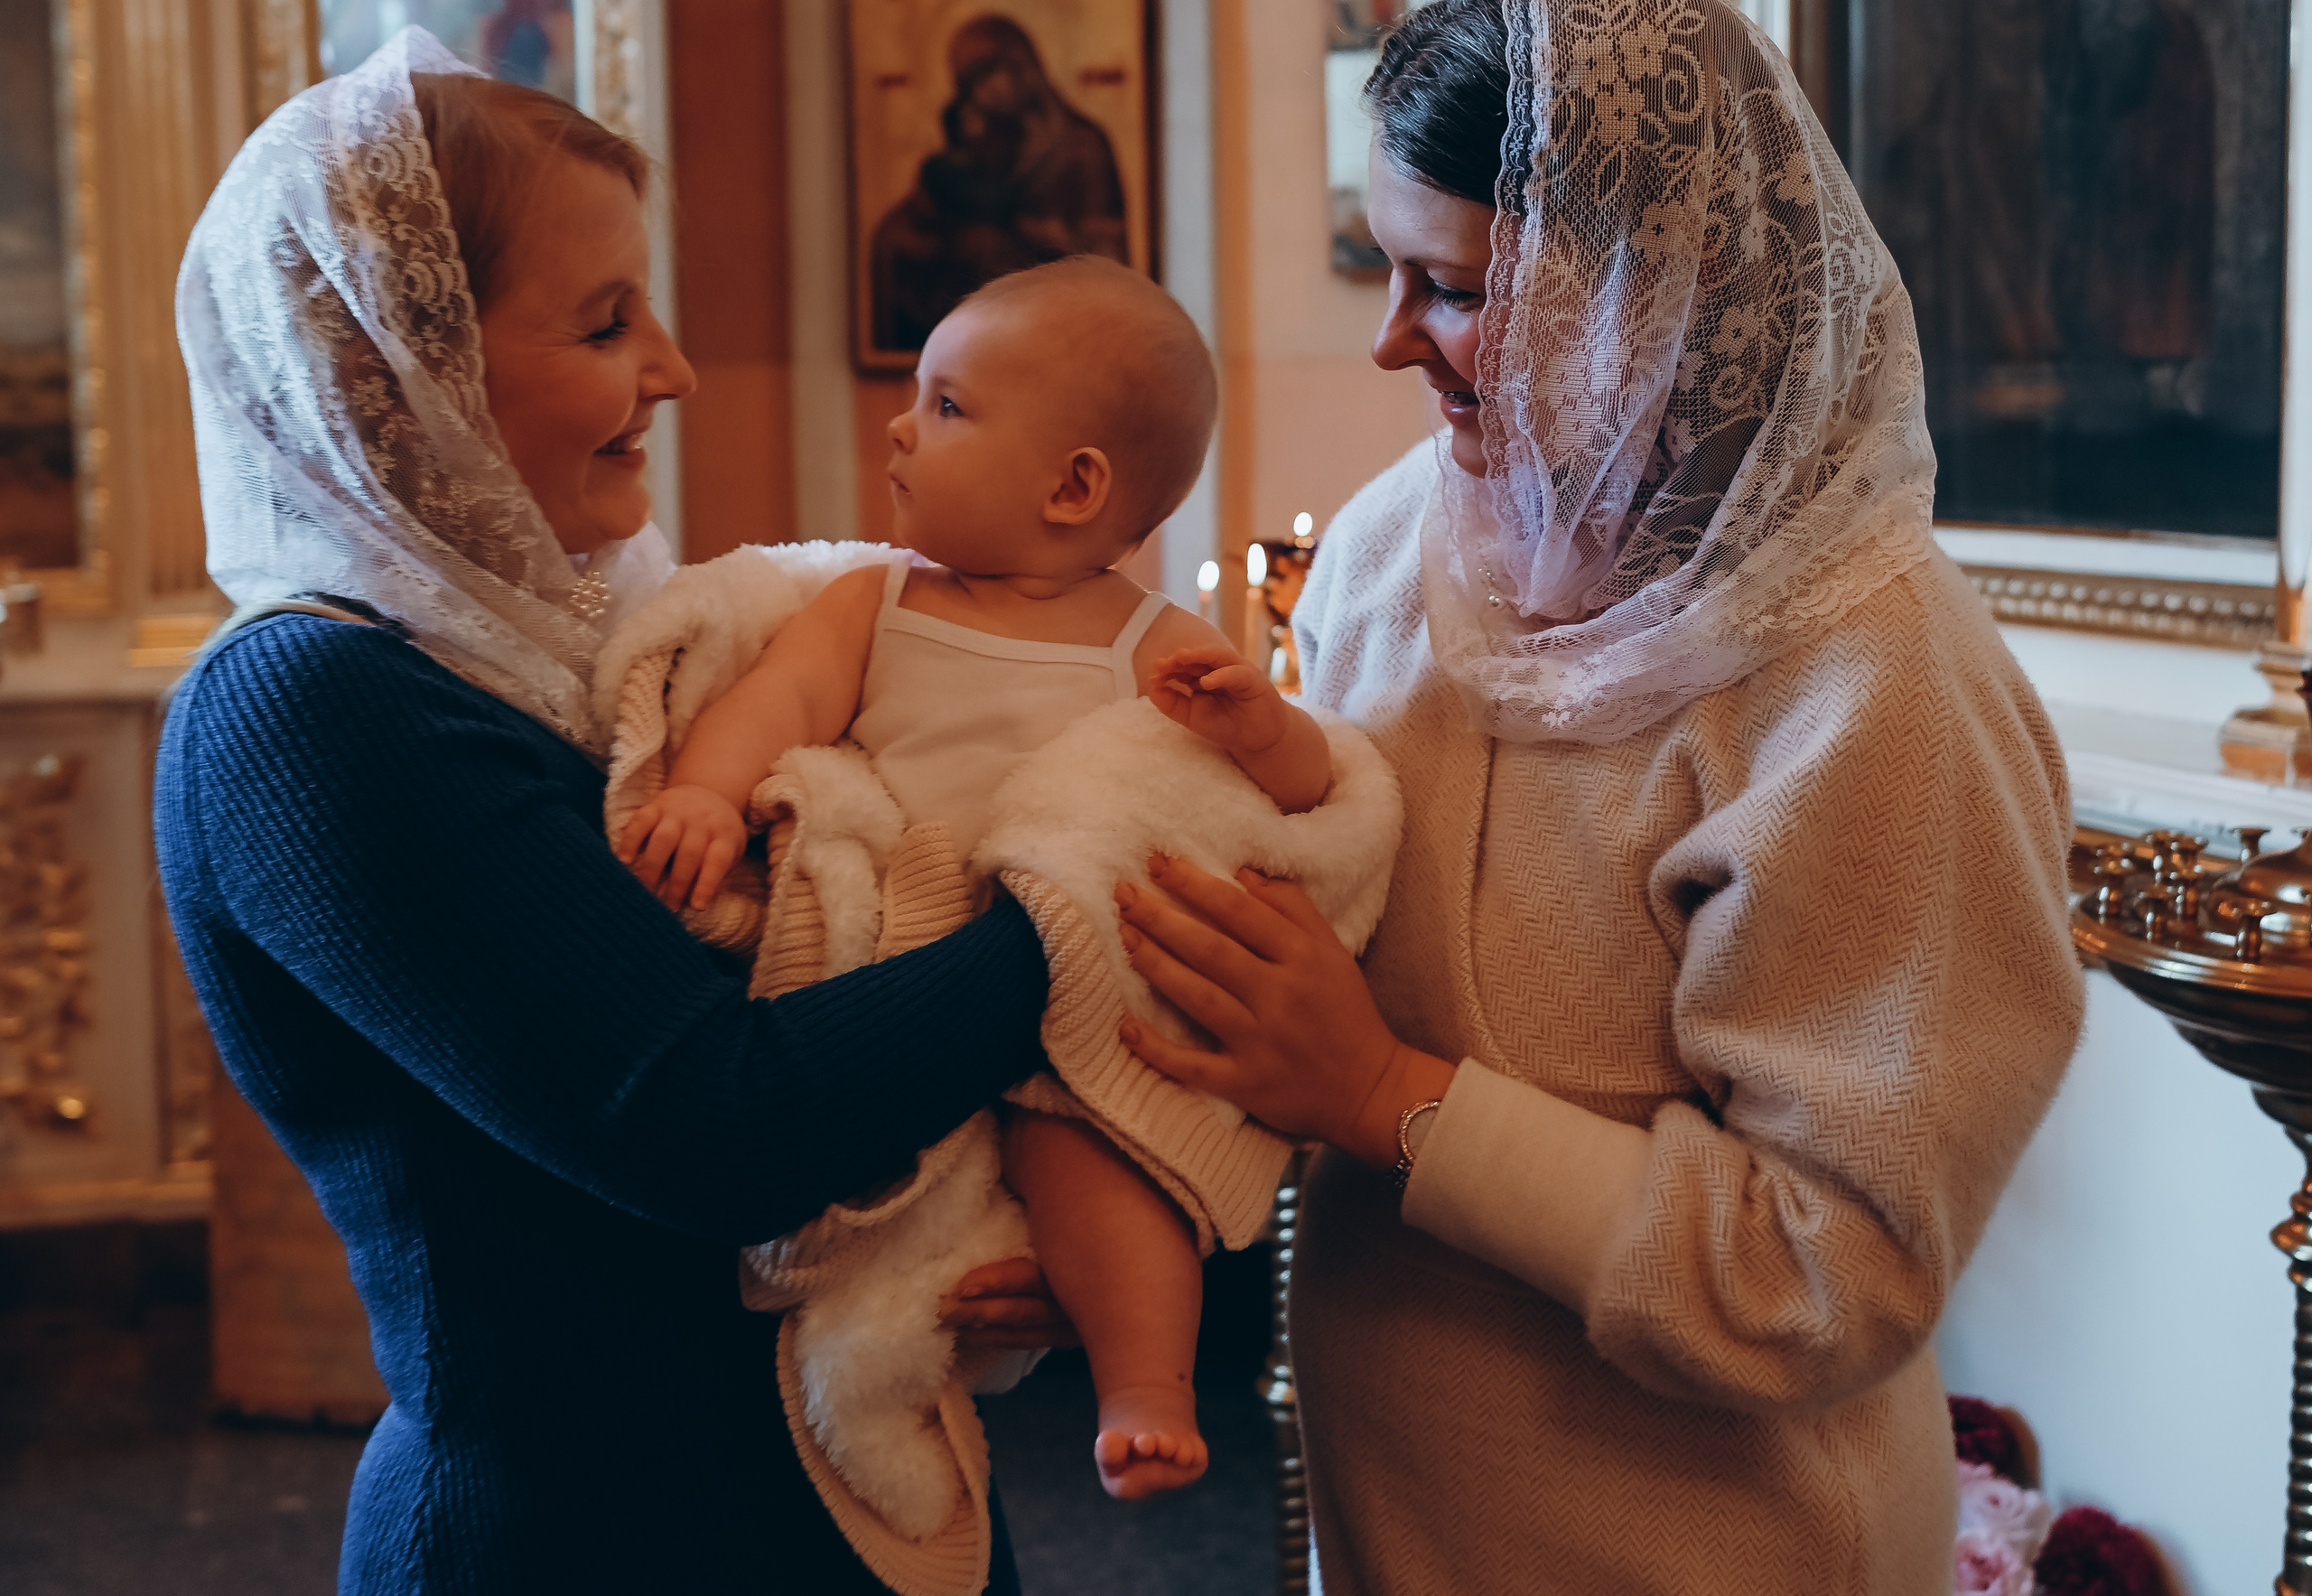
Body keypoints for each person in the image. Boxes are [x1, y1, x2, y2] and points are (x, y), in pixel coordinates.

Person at [1114, 2, 2084, 1591]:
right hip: (1393, 1513)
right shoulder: (1387, 546)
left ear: (1646, 290)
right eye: (1384, 266)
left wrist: (1385, 1097)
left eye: (1451, 286)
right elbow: (1294, 948)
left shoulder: (1874, 672)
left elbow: (1831, 1268)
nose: (1387, 338)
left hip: (1715, 1543)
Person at [158, 33, 1066, 1595]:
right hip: (580, 1534)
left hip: (823, 1495)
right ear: (395, 369)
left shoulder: (593, 643)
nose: (673, 368)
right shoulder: (309, 711)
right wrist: (1086, 912)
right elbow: (717, 1122)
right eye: (602, 322)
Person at [620, 255, 1327, 1498]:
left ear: (1073, 486)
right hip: (894, 961)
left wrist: (1260, 730)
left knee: (1098, 1160)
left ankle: (1143, 1387)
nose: (901, 422)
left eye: (945, 405)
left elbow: (1294, 795)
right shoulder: (873, 602)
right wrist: (702, 790)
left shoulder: (1151, 640)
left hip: (1059, 986)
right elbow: (773, 699)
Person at [869, 16, 1129, 353]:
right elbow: (931, 203)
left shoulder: (1083, 145)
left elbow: (1110, 260)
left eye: (989, 75)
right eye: (970, 84)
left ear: (1022, 69)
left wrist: (1057, 237)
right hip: (984, 288)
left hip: (1054, 295)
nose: (982, 93)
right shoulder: (982, 138)